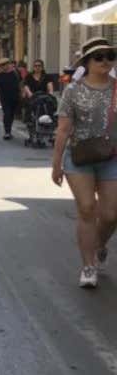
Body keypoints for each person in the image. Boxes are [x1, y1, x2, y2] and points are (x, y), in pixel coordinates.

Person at [51, 38, 117, 289]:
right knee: (87, 208)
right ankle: (89, 266)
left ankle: (99, 243)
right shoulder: (73, 90)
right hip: (79, 157)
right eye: (99, 57)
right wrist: (56, 164)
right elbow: (63, 129)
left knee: (111, 214)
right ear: (87, 62)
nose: (105, 61)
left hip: (112, 157)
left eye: (110, 56)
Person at [0, 58, 23, 140]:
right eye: (1, 65)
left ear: (8, 64)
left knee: (12, 115)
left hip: (15, 97)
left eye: (5, 65)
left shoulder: (16, 73)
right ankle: (7, 132)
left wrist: (22, 94)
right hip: (4, 98)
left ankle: (8, 130)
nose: (3, 67)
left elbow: (20, 84)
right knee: (7, 114)